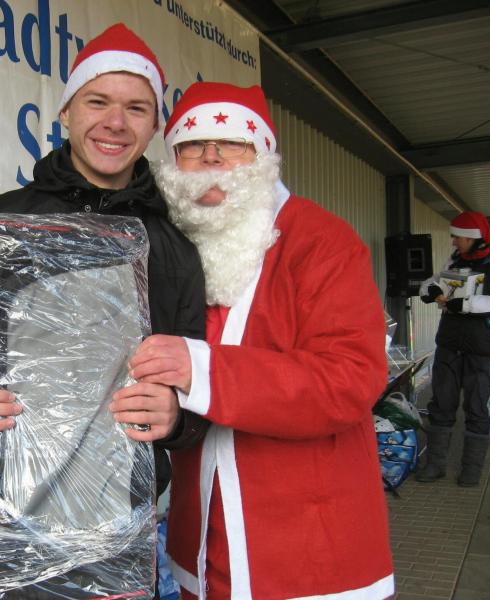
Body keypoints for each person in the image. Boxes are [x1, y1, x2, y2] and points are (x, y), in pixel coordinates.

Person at [0, 23, 207, 600]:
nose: (115, 122)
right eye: (98, 101)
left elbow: (198, 375)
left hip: (117, 529)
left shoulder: (175, 247)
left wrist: (180, 417)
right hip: (2, 521)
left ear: (154, 125)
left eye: (136, 108)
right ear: (66, 110)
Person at [121, 82, 394, 599]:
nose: (212, 158)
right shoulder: (167, 243)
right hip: (203, 551)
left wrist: (202, 370)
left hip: (310, 553)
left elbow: (350, 379)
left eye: (232, 143)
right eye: (193, 146)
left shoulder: (322, 240)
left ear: (263, 155)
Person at [417, 211, 490, 487]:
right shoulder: (455, 260)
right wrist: (431, 291)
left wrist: (467, 304)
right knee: (441, 404)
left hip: (482, 350)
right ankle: (435, 465)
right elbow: (429, 282)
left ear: (473, 239)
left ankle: (471, 470)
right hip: (449, 345)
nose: (453, 241)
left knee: (477, 408)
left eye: (458, 237)